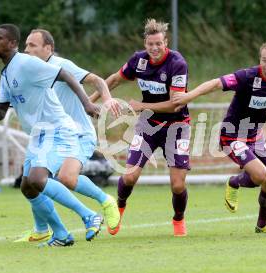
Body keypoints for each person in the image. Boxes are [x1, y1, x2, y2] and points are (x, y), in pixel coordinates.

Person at [172, 40, 266, 233]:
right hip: (232, 137)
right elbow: (216, 83)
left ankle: (262, 225)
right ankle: (234, 182)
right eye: (264, 60)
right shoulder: (247, 76)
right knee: (260, 175)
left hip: (255, 136)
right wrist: (188, 96)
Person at [0, 24, 101, 246]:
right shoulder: (6, 74)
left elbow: (65, 74)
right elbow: (1, 113)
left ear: (13, 44)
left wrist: (87, 103)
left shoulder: (26, 63)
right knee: (28, 187)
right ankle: (61, 235)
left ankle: (88, 214)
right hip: (39, 135)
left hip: (57, 129)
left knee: (37, 179)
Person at [12, 28, 121, 242]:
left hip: (78, 134)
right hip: (49, 136)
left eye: (32, 45)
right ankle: (42, 229)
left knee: (66, 178)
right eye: (26, 45)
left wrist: (106, 98)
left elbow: (97, 80)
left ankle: (106, 201)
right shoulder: (28, 70)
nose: (27, 50)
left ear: (48, 49)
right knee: (29, 183)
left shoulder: (61, 65)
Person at [90, 18, 191, 236]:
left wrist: (140, 105)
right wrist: (92, 99)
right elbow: (115, 79)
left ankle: (178, 220)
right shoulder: (139, 60)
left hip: (177, 126)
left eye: (159, 44)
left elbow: (176, 104)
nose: (154, 49)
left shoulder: (177, 63)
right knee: (129, 176)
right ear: (145, 43)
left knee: (177, 185)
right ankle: (118, 209)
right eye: (150, 44)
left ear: (166, 43)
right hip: (148, 126)